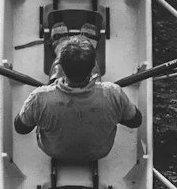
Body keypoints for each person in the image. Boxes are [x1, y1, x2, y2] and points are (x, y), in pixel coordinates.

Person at [13, 35, 142, 162]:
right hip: (99, 152)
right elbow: (135, 121)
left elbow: (21, 128)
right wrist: (114, 113)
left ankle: (59, 45)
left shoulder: (39, 97)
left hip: (54, 152)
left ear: (63, 67)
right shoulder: (114, 93)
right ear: (92, 68)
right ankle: (89, 40)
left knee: (55, 73)